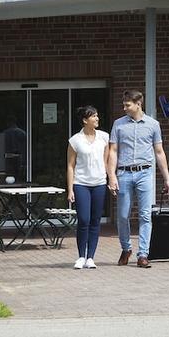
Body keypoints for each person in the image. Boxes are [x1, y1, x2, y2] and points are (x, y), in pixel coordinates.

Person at [107, 89, 169, 268]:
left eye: (127, 105)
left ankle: (143, 254)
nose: (124, 108)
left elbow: (159, 152)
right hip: (124, 173)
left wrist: (167, 178)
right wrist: (111, 175)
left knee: (145, 215)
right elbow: (113, 151)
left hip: (145, 173)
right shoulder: (118, 125)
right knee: (122, 215)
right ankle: (126, 248)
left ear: (138, 104)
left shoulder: (153, 125)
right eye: (124, 104)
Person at [67, 105, 110, 270]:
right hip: (81, 183)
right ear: (85, 120)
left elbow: (106, 162)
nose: (97, 119)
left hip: (99, 183)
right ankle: (80, 256)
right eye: (94, 116)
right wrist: (70, 189)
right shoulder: (75, 140)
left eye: (97, 116)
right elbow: (70, 166)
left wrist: (111, 179)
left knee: (95, 221)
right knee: (83, 219)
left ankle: (91, 257)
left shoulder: (104, 138)